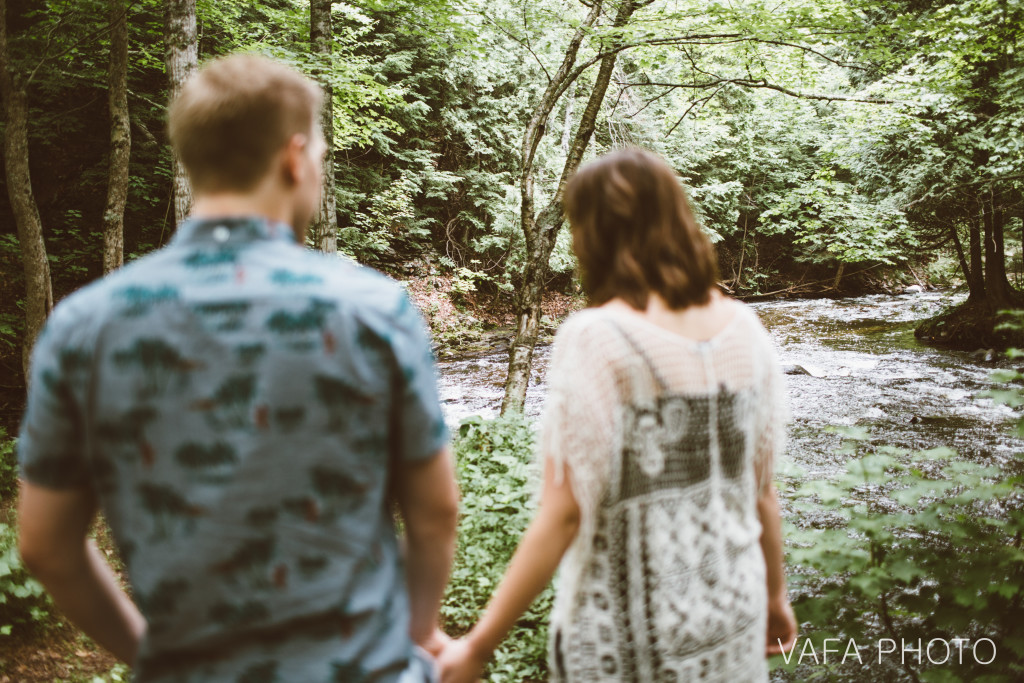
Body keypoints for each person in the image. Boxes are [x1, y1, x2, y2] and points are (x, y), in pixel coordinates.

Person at [17, 54, 458, 683]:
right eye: (323, 158)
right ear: (294, 157)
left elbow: (46, 547)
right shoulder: (372, 309)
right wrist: (417, 637)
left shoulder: (84, 325)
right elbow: (435, 510)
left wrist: (153, 657)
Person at [437, 148, 797, 682]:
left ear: (594, 234)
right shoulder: (745, 327)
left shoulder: (598, 337)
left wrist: (478, 646)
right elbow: (761, 490)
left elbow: (565, 512)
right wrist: (775, 596)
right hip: (732, 620)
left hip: (625, 640)